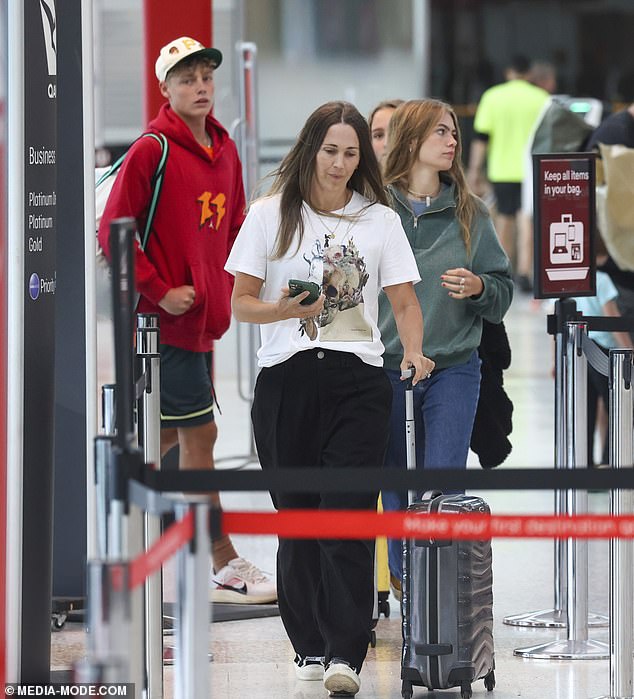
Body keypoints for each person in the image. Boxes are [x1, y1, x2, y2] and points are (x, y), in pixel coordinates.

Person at [225, 100, 434, 697]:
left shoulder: (379, 221)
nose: (340, 163)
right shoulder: (269, 215)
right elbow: (240, 303)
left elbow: (403, 303)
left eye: (351, 153)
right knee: (296, 520)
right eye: (330, 150)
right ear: (310, 148)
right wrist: (284, 310)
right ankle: (308, 646)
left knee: (345, 517)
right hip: (287, 380)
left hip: (358, 383)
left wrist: (414, 352)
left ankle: (346, 651)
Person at [97, 36, 276, 604]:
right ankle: (220, 559)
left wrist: (224, 287)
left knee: (163, 434)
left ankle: (120, 535)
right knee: (202, 434)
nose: (200, 87)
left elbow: (236, 227)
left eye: (205, 77)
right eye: (186, 79)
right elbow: (112, 232)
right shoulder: (153, 149)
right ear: (165, 88)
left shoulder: (223, 148)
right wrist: (158, 291)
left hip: (202, 323)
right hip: (159, 325)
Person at [378, 99, 513, 593]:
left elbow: (503, 290)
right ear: (411, 140)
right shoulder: (375, 209)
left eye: (453, 132)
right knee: (393, 483)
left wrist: (480, 287)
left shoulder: (469, 211)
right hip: (386, 368)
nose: (452, 141)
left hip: (455, 367)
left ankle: (440, 589)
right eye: (440, 132)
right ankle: (404, 576)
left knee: (444, 483)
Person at [467, 55, 549, 284]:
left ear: (508, 72)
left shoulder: (493, 97)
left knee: (505, 217)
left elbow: (481, 138)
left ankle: (503, 268)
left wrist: (474, 170)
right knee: (528, 217)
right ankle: (525, 271)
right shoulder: (542, 98)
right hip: (533, 168)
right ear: (529, 73)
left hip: (502, 169)